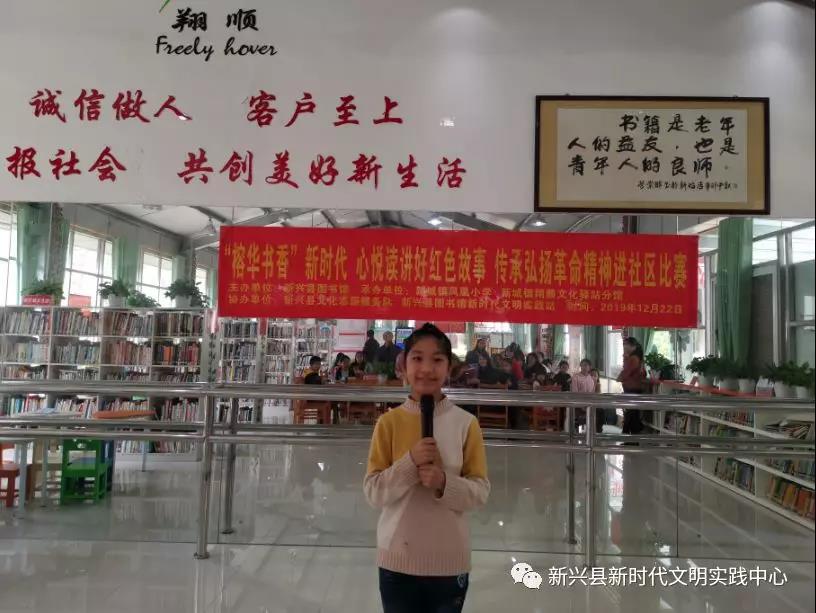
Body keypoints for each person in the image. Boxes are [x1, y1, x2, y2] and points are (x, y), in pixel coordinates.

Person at [364, 323, 490, 613]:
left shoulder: (466, 424)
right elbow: (373, 493)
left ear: (449, 368)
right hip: (397, 561)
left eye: (437, 359)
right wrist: (410, 463)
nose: (426, 369)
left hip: (449, 561)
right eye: (417, 358)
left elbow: (480, 492)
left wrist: (444, 483)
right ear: (403, 366)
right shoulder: (388, 423)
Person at [617, 336, 646, 435]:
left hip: (632, 388)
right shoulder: (635, 357)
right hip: (633, 388)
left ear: (632, 346)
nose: (624, 346)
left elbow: (626, 372)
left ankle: (628, 435)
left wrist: (619, 378)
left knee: (631, 414)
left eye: (626, 344)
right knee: (632, 414)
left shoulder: (633, 358)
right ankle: (631, 437)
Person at [572, 359, 602, 433]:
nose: (584, 367)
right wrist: (582, 405)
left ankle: (597, 432)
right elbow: (575, 393)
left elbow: (593, 393)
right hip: (579, 402)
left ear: (589, 367)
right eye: (582, 365)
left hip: (590, 403)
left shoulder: (592, 378)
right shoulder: (575, 377)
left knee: (600, 411)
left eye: (586, 365)